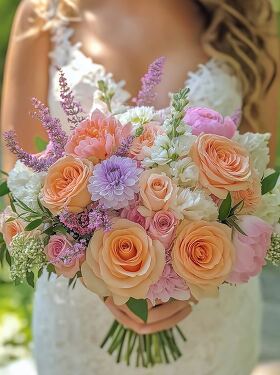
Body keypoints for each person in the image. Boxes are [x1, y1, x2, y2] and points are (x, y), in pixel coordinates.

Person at [1, 0, 279, 374]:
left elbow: (258, 178)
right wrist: (100, 274)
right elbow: (17, 177)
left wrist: (191, 276)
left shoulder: (252, 20)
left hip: (213, 311)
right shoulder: (43, 13)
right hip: (80, 320)